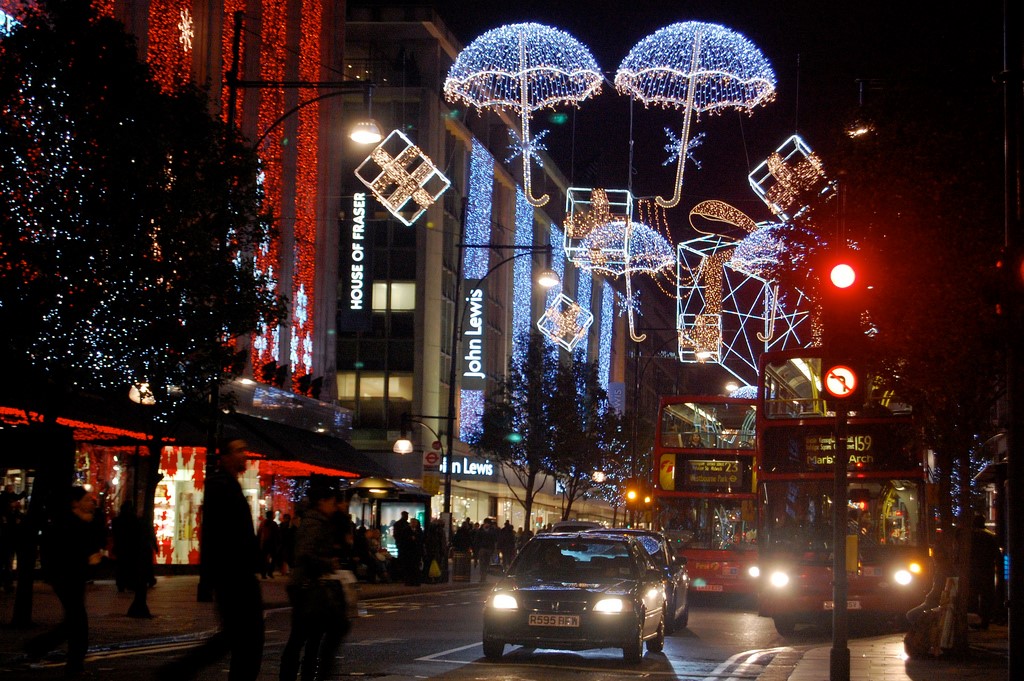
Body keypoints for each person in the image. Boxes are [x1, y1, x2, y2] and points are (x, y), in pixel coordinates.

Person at [157, 439, 263, 681]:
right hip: (233, 575)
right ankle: (178, 670)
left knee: (241, 638)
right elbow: (218, 533)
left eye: (245, 450)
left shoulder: (229, 485)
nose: (244, 455)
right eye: (238, 451)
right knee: (243, 637)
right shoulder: (220, 485)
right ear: (224, 456)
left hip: (237, 573)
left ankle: (179, 670)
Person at [24, 486, 103, 679]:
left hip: (74, 577)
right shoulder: (67, 524)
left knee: (72, 622)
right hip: (67, 578)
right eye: (86, 500)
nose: (90, 503)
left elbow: (93, 543)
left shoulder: (82, 522)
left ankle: (38, 647)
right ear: (75, 503)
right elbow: (68, 551)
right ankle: (73, 665)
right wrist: (88, 557)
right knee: (78, 623)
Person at [280, 483, 350, 681]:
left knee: (310, 638)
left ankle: (305, 675)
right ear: (321, 502)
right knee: (301, 638)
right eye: (331, 502)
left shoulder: (319, 520)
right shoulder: (314, 522)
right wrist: (328, 563)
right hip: (307, 587)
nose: (334, 506)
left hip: (309, 587)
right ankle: (293, 675)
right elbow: (305, 553)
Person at [968, 514, 1002, 629]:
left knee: (972, 596)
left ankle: (973, 620)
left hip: (972, 570)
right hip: (987, 570)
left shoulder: (968, 536)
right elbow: (997, 555)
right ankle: (984, 621)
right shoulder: (990, 536)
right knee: (986, 597)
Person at [258, 509, 281, 579]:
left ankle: (263, 573)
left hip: (264, 542)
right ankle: (270, 572)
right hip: (272, 542)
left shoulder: (263, 523)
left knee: (264, 558)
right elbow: (277, 534)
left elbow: (259, 533)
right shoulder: (273, 524)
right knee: (273, 558)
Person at [392, 510, 413, 583]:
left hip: (401, 544)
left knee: (402, 560)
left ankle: (402, 575)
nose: (407, 517)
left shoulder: (398, 524)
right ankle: (403, 575)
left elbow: (395, 535)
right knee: (404, 560)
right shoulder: (406, 525)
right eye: (406, 516)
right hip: (405, 545)